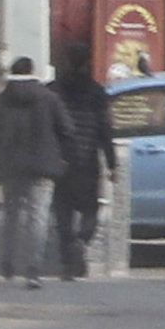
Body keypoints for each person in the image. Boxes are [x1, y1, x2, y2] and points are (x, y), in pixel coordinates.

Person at [0, 57, 61, 291]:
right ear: (33, 71)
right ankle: (33, 269)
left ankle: (7, 263)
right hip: (42, 167)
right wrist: (57, 153)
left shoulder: (2, 99)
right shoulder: (49, 98)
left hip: (11, 166)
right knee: (37, 218)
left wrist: (4, 146)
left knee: (11, 215)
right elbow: (66, 128)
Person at [50, 63, 112, 281]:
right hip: (88, 161)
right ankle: (82, 240)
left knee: (63, 212)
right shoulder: (96, 92)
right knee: (90, 209)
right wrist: (112, 163)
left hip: (62, 160)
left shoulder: (54, 90)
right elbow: (105, 129)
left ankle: (68, 265)